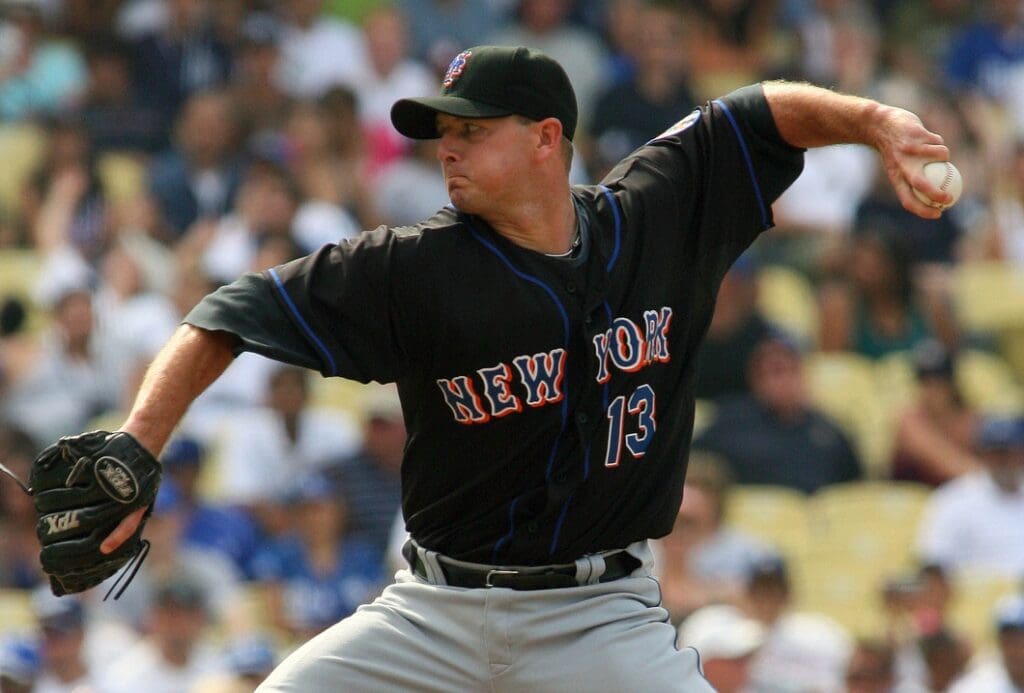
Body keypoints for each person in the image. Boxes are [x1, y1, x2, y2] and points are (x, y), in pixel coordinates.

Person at [94, 44, 954, 690]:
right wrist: (138, 442)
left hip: (600, 615)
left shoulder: (652, 214)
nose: (447, 149)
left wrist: (875, 122)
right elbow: (225, 315)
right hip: (434, 613)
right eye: (443, 134)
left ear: (547, 138)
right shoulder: (412, 267)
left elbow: (762, 112)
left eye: (471, 131)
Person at [692, 333, 863, 493]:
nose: (786, 381)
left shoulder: (828, 432)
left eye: (793, 370)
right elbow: (695, 460)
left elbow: (854, 485)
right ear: (756, 380)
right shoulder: (732, 421)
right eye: (776, 371)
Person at [916, 416, 1024, 577]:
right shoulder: (955, 499)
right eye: (996, 453)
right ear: (982, 455)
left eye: (1010, 453)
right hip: (979, 588)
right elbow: (933, 562)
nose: (1003, 461)